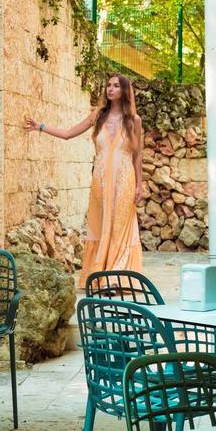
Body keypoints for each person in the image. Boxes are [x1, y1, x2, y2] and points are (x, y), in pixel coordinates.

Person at [24, 73, 144, 289]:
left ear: (124, 90)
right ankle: (101, 275)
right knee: (101, 223)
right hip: (100, 181)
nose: (110, 89)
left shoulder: (134, 121)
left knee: (120, 226)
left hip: (125, 180)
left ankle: (118, 278)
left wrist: (139, 185)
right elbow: (69, 133)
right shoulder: (98, 116)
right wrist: (40, 126)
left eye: (116, 86)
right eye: (108, 85)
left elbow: (137, 156)